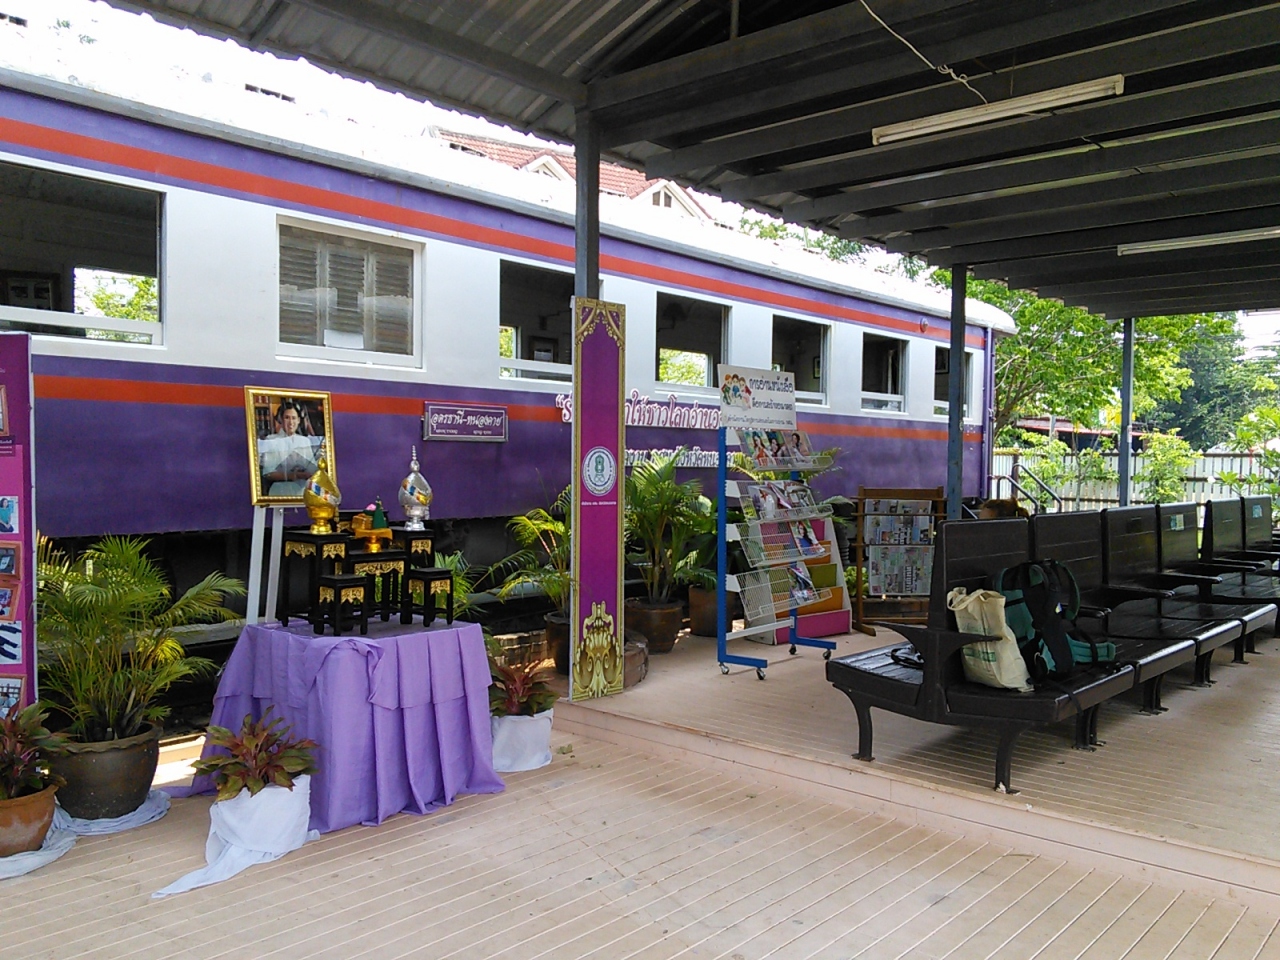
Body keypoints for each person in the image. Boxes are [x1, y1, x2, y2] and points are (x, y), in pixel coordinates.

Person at [259, 399, 319, 497]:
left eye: (293, 418)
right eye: (287, 418)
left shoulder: (305, 441)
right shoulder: (271, 440)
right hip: (280, 492)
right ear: (281, 420)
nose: (291, 422)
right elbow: (268, 473)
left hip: (302, 492)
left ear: (298, 420)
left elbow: (312, 469)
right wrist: (293, 476)